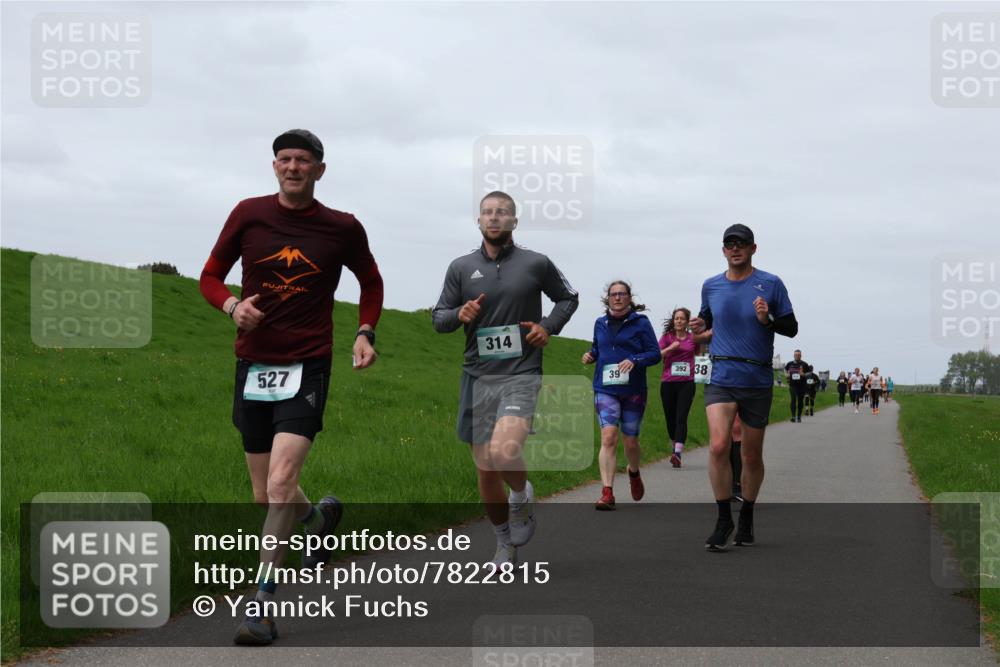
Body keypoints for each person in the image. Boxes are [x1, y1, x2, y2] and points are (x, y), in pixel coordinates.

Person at [199, 129, 384, 645]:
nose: (293, 167)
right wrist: (233, 306)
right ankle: (319, 517)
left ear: (320, 170)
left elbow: (371, 281)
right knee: (266, 495)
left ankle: (259, 605)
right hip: (253, 365)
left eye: (303, 160)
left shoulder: (341, 228)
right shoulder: (248, 214)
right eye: (285, 159)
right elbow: (210, 275)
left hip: (308, 365)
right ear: (274, 167)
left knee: (280, 483)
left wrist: (365, 331)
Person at [432, 190, 578, 565]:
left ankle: (521, 494)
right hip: (477, 375)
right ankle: (502, 542)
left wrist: (548, 327)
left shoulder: (536, 262)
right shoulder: (460, 267)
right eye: (487, 212)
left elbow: (568, 297)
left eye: (502, 213)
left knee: (503, 451)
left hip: (521, 371)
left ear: (514, 221)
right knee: (484, 471)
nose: (494, 218)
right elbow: (439, 318)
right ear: (478, 221)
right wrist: (458, 315)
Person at [690, 224, 797, 551]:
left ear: (753, 248)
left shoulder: (771, 284)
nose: (735, 249)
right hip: (721, 374)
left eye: (742, 244)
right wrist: (698, 326)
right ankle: (724, 518)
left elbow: (791, 328)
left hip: (756, 379)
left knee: (751, 455)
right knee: (719, 445)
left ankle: (747, 513)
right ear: (723, 250)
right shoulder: (711, 286)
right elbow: (705, 320)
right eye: (729, 244)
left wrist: (768, 320)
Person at [582, 282, 661, 509]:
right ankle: (607, 492)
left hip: (633, 390)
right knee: (608, 437)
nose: (617, 298)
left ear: (629, 298)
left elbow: (654, 354)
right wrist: (591, 355)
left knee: (631, 441)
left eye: (622, 294)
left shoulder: (641, 323)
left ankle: (634, 472)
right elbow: (598, 348)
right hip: (605, 387)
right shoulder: (600, 323)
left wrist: (635, 360)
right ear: (607, 298)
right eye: (613, 294)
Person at [659, 307, 698, 468]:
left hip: (687, 382)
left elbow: (700, 355)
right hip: (668, 382)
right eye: (676, 318)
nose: (679, 321)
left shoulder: (693, 339)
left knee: (681, 417)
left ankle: (677, 453)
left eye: (682, 318)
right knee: (670, 418)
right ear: (673, 321)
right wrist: (670, 349)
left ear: (687, 322)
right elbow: (657, 354)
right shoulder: (667, 337)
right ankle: (674, 446)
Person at [784, 350, 807, 423]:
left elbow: (809, 374)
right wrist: (786, 375)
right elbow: (785, 370)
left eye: (798, 355)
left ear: (801, 356)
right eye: (796, 355)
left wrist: (803, 374)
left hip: (801, 385)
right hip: (792, 385)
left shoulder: (804, 364)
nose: (797, 356)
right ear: (793, 355)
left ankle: (799, 416)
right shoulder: (789, 364)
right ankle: (793, 416)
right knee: (793, 400)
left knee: (800, 401)